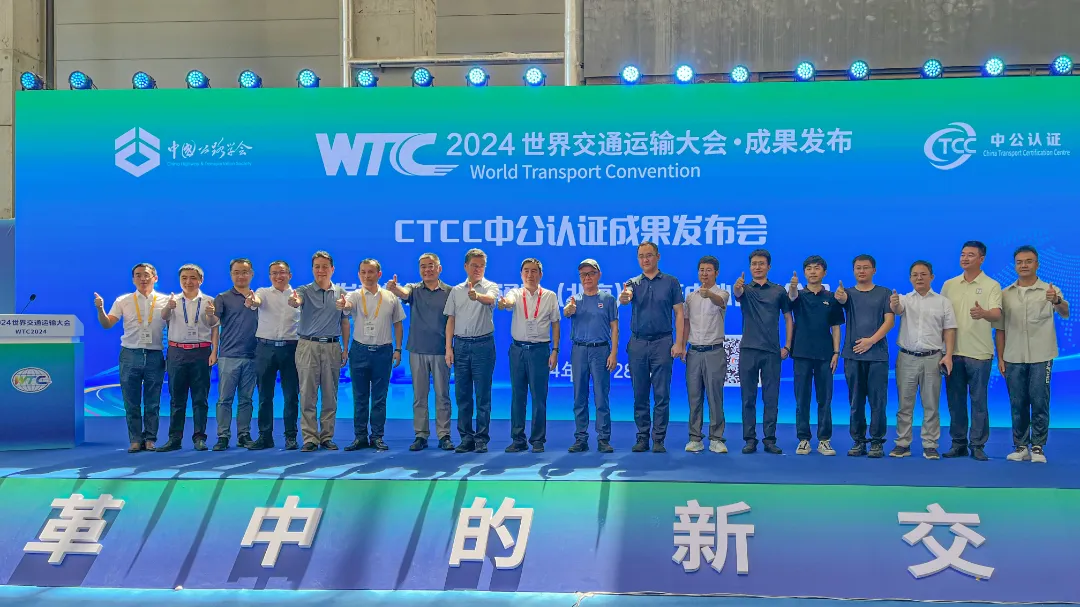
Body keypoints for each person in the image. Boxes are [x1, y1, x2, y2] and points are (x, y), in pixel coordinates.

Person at [996, 246, 1069, 463]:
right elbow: (1000, 329)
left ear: (1037, 264)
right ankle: (1020, 446)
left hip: (1041, 356)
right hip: (1013, 356)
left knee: (1039, 402)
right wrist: (1000, 358)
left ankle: (1038, 446)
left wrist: (1056, 300)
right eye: (1019, 262)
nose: (1024, 265)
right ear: (1015, 265)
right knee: (1017, 403)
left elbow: (1065, 312)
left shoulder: (1050, 290)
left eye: (1028, 261)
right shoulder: (1005, 294)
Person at [620, 242, 685, 454]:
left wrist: (679, 343)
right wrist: (624, 298)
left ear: (657, 256)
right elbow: (625, 298)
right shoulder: (633, 283)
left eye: (649, 255)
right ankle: (642, 437)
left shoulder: (671, 282)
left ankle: (658, 439)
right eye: (641, 256)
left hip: (662, 342)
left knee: (661, 393)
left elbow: (679, 313)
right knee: (639, 393)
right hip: (638, 343)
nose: (645, 259)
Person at [384, 253, 454, 451]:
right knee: (420, 396)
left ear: (439, 268)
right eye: (423, 266)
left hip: (440, 351)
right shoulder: (414, 289)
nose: (427, 269)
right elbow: (403, 293)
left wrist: (449, 348)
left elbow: (452, 320)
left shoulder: (450, 292)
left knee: (442, 395)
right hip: (417, 350)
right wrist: (394, 288)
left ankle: (444, 435)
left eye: (431, 265)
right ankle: (421, 435)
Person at [95, 263, 167, 453]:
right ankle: (135, 439)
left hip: (154, 355)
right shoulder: (123, 300)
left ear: (155, 278)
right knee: (131, 401)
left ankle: (150, 439)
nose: (143, 278)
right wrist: (100, 309)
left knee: (153, 402)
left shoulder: (167, 301)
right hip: (130, 354)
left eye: (146, 275)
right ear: (133, 279)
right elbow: (107, 324)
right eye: (138, 275)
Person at [940, 241, 1002, 461]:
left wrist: (983, 313)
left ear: (981, 259)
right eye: (963, 254)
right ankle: (958, 444)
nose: (965, 258)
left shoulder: (992, 285)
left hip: (980, 353)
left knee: (978, 402)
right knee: (955, 401)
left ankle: (977, 445)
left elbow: (997, 314)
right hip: (952, 353)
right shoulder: (949, 285)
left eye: (971, 255)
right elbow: (941, 317)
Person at [889, 260, 956, 460]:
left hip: (933, 358)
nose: (919, 278)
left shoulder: (943, 302)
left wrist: (948, 355)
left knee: (931, 404)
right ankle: (902, 443)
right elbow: (897, 309)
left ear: (931, 277)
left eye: (923, 274)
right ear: (910, 278)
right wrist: (894, 303)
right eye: (915, 275)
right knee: (904, 404)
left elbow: (949, 329)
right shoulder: (904, 299)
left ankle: (930, 444)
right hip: (907, 358)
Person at [497, 258, 561, 453]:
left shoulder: (549, 296)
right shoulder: (515, 293)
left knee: (539, 396)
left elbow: (555, 324)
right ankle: (518, 439)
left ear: (540, 274)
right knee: (518, 396)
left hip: (540, 351)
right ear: (521, 274)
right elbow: (508, 302)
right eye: (526, 271)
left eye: (534, 271)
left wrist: (555, 350)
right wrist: (504, 303)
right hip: (518, 350)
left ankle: (538, 440)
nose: (530, 275)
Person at [835, 254, 894, 458]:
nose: (862, 271)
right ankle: (858, 441)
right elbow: (841, 302)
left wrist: (871, 340)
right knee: (855, 402)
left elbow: (889, 321)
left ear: (874, 270)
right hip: (852, 356)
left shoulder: (884, 293)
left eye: (866, 267)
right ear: (853, 271)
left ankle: (877, 441)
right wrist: (840, 298)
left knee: (878, 402)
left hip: (877, 356)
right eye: (858, 268)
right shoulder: (847, 293)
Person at [289, 251, 350, 453]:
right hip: (308, 345)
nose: (321, 270)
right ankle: (310, 438)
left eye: (325, 266)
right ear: (312, 269)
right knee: (308, 394)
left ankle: (327, 437)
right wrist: (294, 301)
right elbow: (296, 301)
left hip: (332, 346)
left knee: (330, 394)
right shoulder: (304, 291)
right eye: (317, 267)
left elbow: (344, 321)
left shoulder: (341, 292)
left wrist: (345, 348)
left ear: (332, 269)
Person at [342, 259, 405, 452]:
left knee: (379, 397)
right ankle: (360, 437)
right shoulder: (354, 295)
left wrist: (398, 349)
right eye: (363, 272)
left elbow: (398, 324)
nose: (366, 276)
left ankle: (377, 436)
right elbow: (346, 307)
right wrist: (343, 304)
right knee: (360, 397)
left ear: (379, 274)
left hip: (383, 352)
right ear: (359, 274)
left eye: (370, 272)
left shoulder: (390, 297)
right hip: (359, 351)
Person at [733, 249, 792, 454]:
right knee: (748, 398)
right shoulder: (745, 289)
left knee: (771, 398)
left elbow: (788, 318)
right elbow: (737, 294)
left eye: (761, 263)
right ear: (750, 267)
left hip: (771, 352)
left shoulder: (778, 291)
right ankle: (750, 439)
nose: (757, 267)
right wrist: (737, 288)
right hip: (748, 350)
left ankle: (769, 439)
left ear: (768, 266)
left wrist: (787, 346)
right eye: (754, 264)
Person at [157, 264, 219, 452]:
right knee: (177, 399)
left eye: (192, 278)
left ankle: (199, 438)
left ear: (200, 280)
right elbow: (163, 317)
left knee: (200, 398)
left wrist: (214, 351)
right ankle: (174, 439)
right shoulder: (172, 300)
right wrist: (168, 307)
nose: (188, 282)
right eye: (184, 278)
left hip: (201, 352)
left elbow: (214, 326)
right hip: (177, 352)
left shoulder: (209, 301)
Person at [787, 255, 844, 456]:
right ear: (804, 273)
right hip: (801, 353)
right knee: (802, 399)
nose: (813, 271)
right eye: (809, 268)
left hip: (825, 355)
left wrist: (836, 352)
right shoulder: (798, 295)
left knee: (825, 399)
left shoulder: (832, 298)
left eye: (817, 268)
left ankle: (824, 440)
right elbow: (791, 297)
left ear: (824, 272)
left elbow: (836, 327)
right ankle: (803, 439)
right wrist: (793, 287)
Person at [444, 248, 499, 453]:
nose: (478, 269)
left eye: (481, 266)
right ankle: (466, 438)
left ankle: (481, 438)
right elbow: (451, 320)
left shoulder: (490, 286)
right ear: (466, 266)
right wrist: (448, 348)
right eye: (474, 265)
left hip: (483, 345)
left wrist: (477, 296)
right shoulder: (456, 290)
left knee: (483, 394)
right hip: (461, 345)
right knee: (463, 394)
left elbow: (490, 299)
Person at [565, 259, 618, 453]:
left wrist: (613, 353)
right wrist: (568, 310)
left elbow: (615, 328)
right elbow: (567, 312)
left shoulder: (608, 299)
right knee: (579, 396)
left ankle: (603, 439)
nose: (587, 278)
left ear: (598, 275)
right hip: (579, 350)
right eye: (583, 274)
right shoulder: (575, 300)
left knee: (601, 395)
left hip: (600, 350)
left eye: (591, 273)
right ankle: (581, 438)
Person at [248, 261, 301, 450]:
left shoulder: (298, 296)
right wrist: (252, 301)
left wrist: (298, 303)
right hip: (265, 348)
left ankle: (290, 436)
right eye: (274, 273)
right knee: (264, 395)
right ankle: (265, 436)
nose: (278, 276)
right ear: (270, 276)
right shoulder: (262, 292)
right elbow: (255, 302)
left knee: (291, 395)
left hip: (291, 348)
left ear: (290, 275)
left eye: (282, 272)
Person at [682, 255, 729, 454]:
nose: (704, 273)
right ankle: (695, 438)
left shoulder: (722, 293)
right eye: (701, 270)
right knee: (694, 397)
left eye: (708, 270)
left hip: (714, 351)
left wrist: (708, 294)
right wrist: (682, 346)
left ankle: (716, 438)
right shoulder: (690, 297)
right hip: (694, 352)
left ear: (716, 273)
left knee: (715, 397)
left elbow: (720, 301)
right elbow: (685, 323)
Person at [211, 258, 259, 451]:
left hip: (252, 356)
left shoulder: (259, 298)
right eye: (236, 272)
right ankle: (223, 436)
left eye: (245, 272)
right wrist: (214, 351)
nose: (241, 276)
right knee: (225, 399)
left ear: (251, 274)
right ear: (231, 275)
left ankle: (243, 434)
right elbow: (213, 324)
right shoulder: (222, 297)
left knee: (246, 400)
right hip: (228, 356)